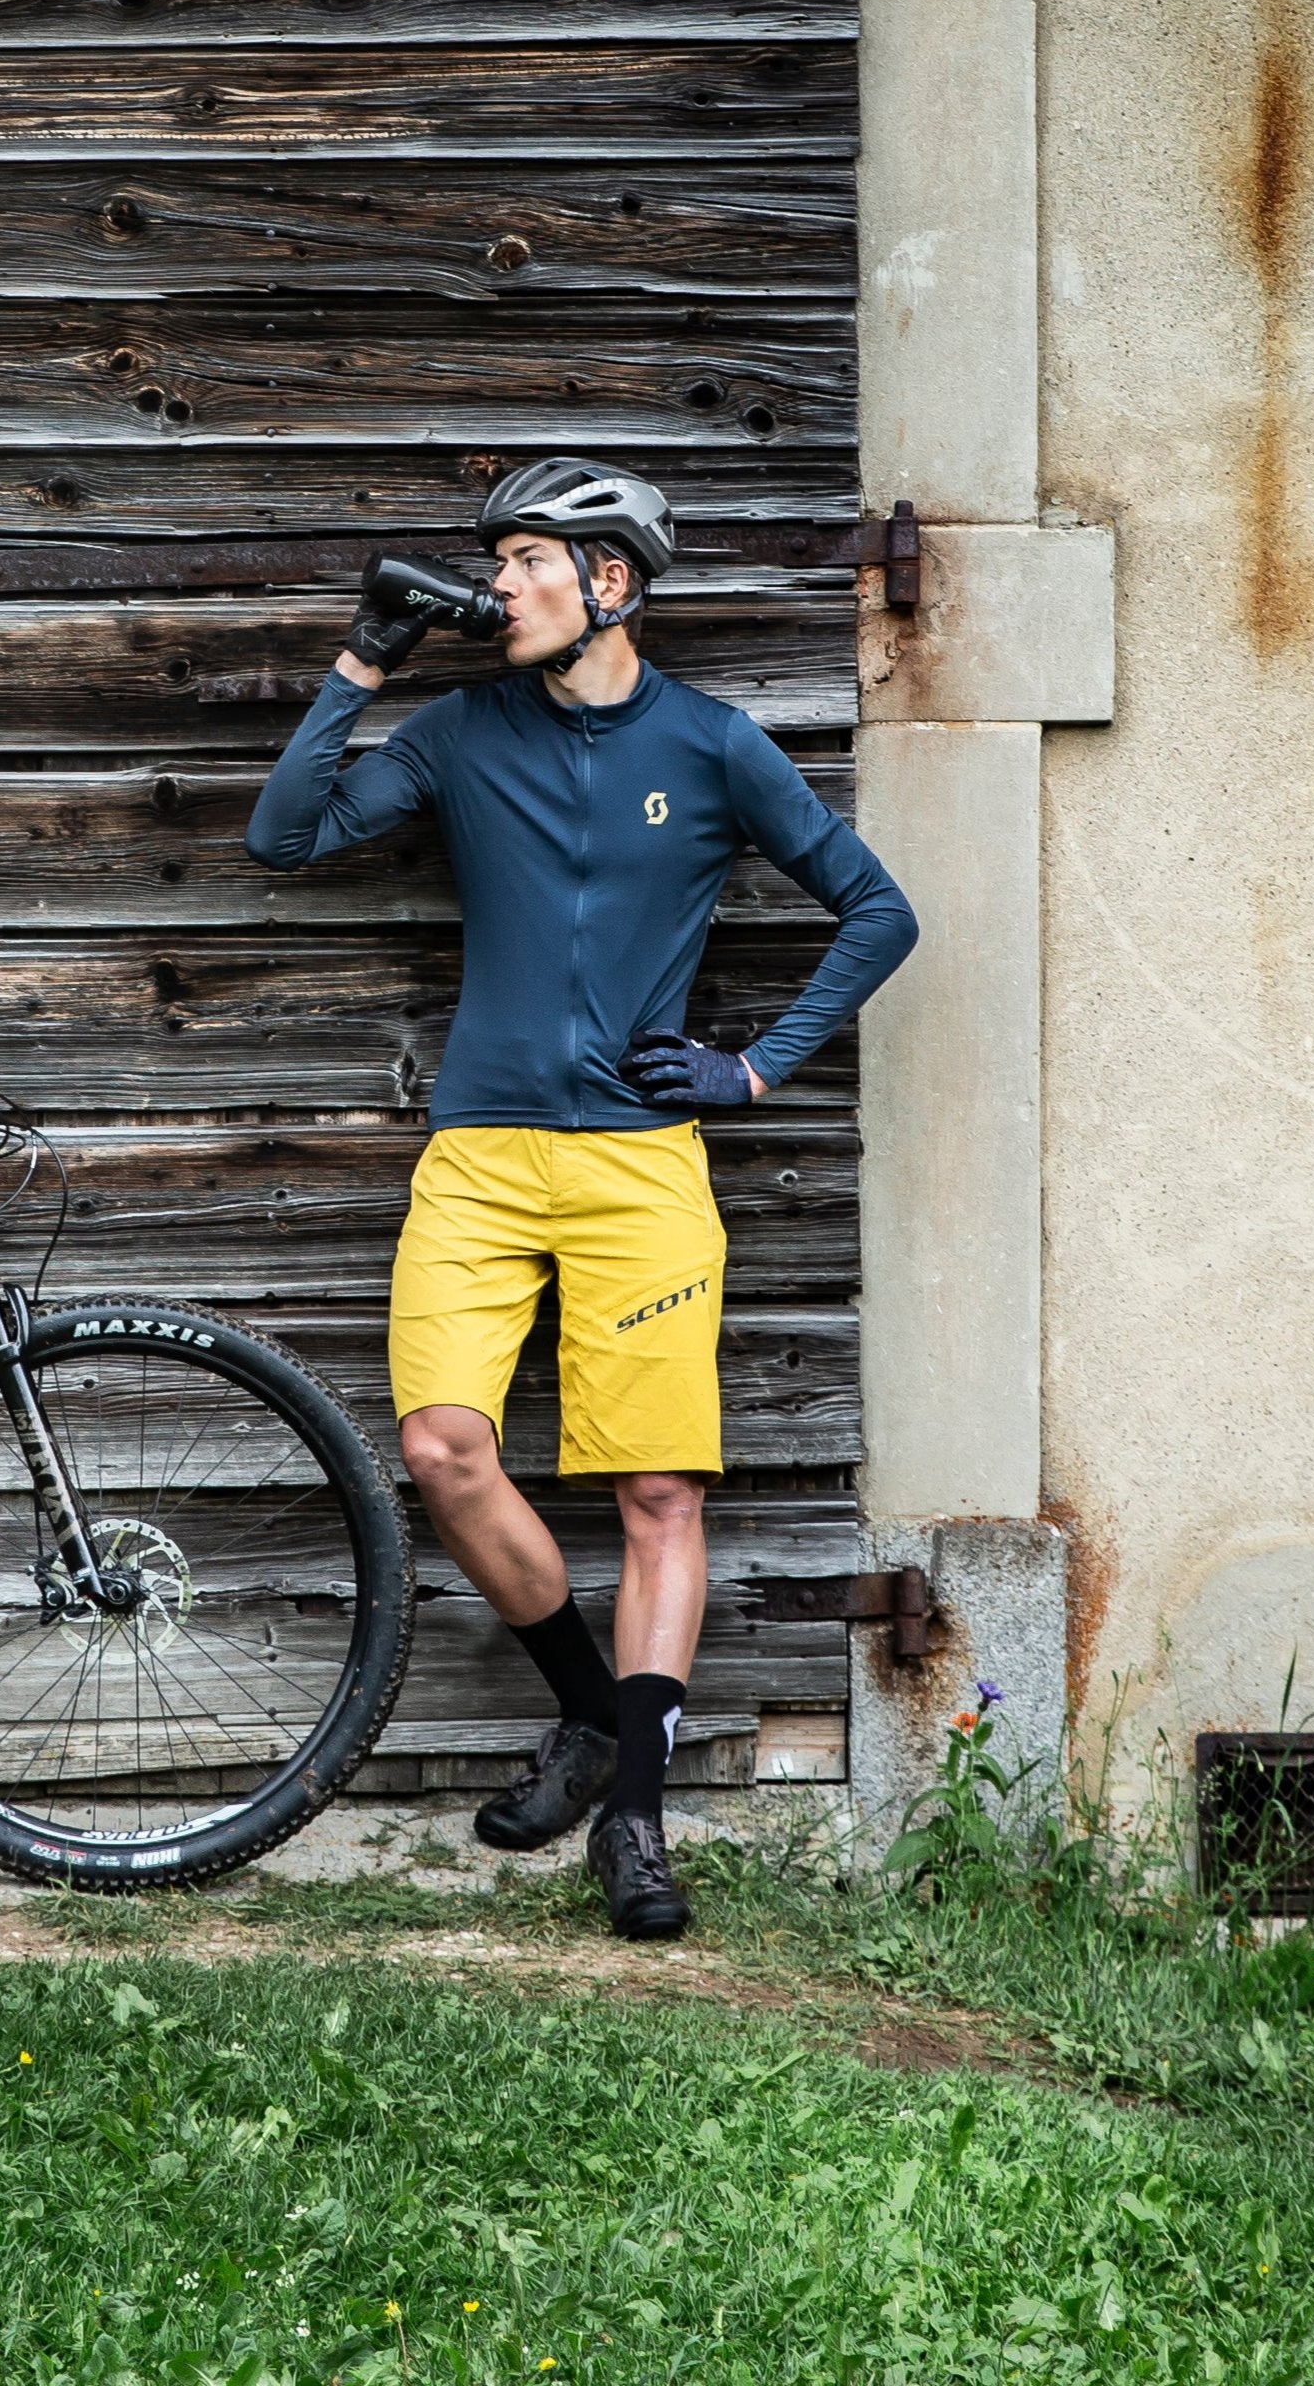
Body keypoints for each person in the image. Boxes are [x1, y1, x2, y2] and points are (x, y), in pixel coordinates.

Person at [244, 459, 920, 1940]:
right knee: (443, 1446)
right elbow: (284, 837)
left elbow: (881, 911)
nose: (499, 586)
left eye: (527, 560)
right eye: (498, 563)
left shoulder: (715, 744)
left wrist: (754, 1071)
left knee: (658, 1490)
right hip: (481, 1154)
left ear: (611, 582)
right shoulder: (462, 729)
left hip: (641, 1163)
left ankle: (635, 1818)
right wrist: (365, 659)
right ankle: (593, 1715)